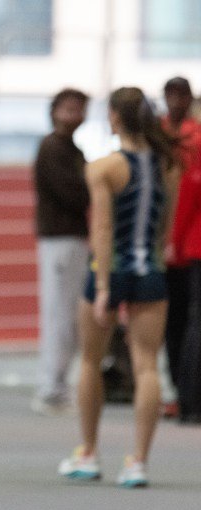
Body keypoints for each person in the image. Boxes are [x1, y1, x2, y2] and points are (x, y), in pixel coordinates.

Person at [58, 86, 180, 487]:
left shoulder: (104, 167)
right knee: (146, 366)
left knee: (91, 360)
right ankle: (138, 462)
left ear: (113, 116)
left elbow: (103, 229)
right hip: (150, 271)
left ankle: (89, 453)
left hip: (110, 270)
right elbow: (165, 222)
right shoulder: (168, 163)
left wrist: (105, 287)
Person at [31, 88, 91, 416]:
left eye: (79, 109)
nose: (73, 115)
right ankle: (50, 386)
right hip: (58, 238)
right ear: (54, 111)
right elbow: (76, 194)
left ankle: (57, 383)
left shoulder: (74, 149)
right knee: (58, 314)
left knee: (67, 314)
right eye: (67, 109)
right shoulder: (52, 147)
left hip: (72, 237)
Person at [160, 77, 201, 421]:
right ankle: (177, 389)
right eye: (170, 95)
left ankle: (185, 392)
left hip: (186, 244)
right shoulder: (155, 135)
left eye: (181, 95)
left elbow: (188, 196)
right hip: (166, 240)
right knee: (170, 322)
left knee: (189, 320)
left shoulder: (196, 139)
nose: (175, 101)